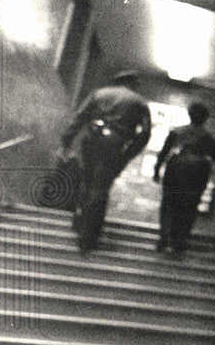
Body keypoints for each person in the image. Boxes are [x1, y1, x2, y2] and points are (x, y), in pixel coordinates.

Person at [61, 70, 152, 251]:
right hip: (114, 145)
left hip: (91, 140)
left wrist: (67, 141)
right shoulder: (139, 103)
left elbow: (80, 117)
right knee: (100, 188)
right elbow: (145, 133)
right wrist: (127, 154)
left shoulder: (99, 94)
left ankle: (79, 222)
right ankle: (89, 235)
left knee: (87, 181)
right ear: (132, 84)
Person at [153, 102, 215, 253]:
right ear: (205, 119)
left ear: (189, 115)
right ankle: (179, 243)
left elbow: (163, 152)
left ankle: (163, 239)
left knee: (169, 204)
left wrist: (156, 170)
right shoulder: (207, 137)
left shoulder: (176, 131)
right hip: (198, 170)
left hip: (176, 166)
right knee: (189, 206)